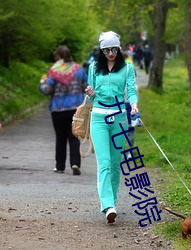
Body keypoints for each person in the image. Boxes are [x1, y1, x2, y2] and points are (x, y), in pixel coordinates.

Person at [85, 31, 138, 223]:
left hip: (119, 119)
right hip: (98, 118)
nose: (110, 53)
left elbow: (131, 90)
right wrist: (90, 92)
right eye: (106, 50)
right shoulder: (93, 68)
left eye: (114, 49)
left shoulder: (127, 68)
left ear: (119, 48)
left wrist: (134, 104)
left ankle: (112, 201)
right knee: (104, 163)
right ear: (101, 50)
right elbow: (91, 97)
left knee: (116, 164)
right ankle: (107, 205)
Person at [39, 45, 88, 175]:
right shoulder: (79, 70)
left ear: (58, 57)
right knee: (74, 137)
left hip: (58, 109)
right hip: (75, 109)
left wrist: (42, 83)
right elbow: (86, 87)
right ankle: (75, 163)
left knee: (60, 138)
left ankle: (60, 166)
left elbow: (47, 90)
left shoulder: (54, 71)